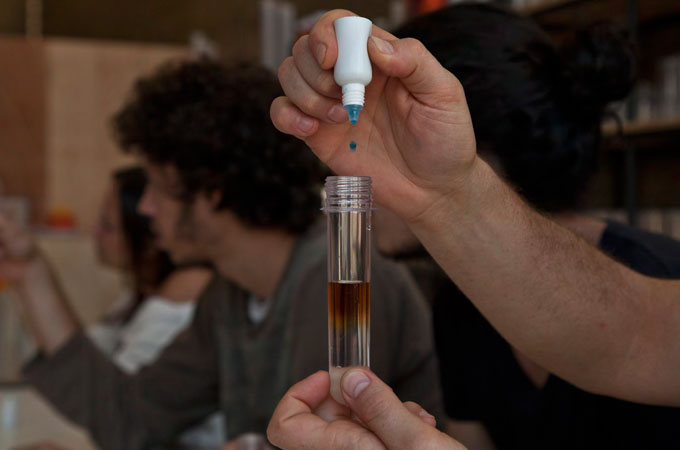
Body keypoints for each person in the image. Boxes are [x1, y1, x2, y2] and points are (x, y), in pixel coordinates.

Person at [267, 5, 680, 450]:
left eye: (398, 120)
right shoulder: (459, 307)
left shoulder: (660, 271)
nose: (344, 171)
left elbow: (634, 341)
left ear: (476, 140)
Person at [0, 59, 443, 450]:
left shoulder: (341, 278)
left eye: (156, 186)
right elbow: (132, 417)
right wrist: (29, 273)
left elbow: (325, 439)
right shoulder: (229, 296)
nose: (146, 208)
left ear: (211, 191)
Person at [0, 167, 218, 449]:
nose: (147, 206)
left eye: (108, 225)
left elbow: (122, 409)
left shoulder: (188, 291)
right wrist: (29, 273)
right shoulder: (140, 296)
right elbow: (115, 403)